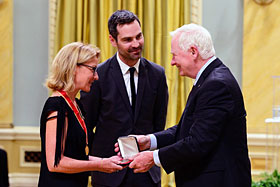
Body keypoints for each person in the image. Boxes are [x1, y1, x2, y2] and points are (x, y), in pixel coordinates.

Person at [120, 23, 252, 187]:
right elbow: (188, 128)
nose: (172, 62)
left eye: (175, 55)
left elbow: (198, 142)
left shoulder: (216, 84)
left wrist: (153, 158)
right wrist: (150, 141)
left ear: (193, 52)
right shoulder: (210, 79)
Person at [80, 10, 168, 187]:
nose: (136, 44)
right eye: (128, 40)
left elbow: (158, 125)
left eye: (139, 36)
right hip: (108, 174)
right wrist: (99, 163)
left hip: (147, 174)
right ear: (113, 40)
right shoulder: (97, 77)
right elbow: (86, 127)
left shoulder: (157, 74)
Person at [38, 42, 123, 187]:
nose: (96, 77)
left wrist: (109, 161)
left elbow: (77, 155)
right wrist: (100, 165)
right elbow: (55, 163)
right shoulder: (57, 106)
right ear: (74, 68)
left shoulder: (76, 105)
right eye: (93, 70)